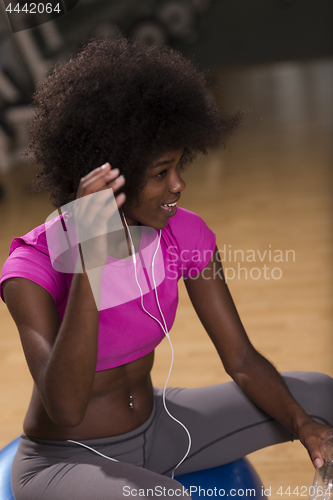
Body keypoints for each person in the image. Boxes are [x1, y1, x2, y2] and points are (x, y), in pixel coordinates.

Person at [0, 36, 332, 500]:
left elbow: (240, 358)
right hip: (65, 460)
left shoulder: (184, 234)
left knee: (322, 397)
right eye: (161, 172)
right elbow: (66, 406)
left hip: (158, 431)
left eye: (179, 165)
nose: (179, 184)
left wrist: (304, 425)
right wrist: (89, 262)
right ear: (110, 177)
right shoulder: (29, 268)